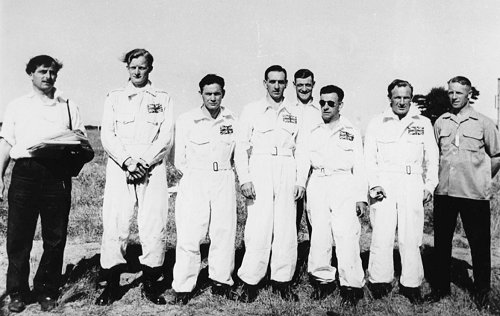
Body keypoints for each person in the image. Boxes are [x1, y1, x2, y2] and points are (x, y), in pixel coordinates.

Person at [0, 55, 87, 312]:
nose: (48, 76)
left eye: (51, 72)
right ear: (31, 74)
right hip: (25, 172)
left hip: (56, 174)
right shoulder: (17, 105)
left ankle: (47, 290)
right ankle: (16, 292)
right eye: (42, 71)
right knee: (19, 236)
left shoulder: (68, 105)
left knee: (55, 236)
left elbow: (81, 139)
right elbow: (6, 142)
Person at [96, 48, 174, 305]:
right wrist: (128, 162)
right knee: (116, 222)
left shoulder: (162, 98)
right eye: (133, 67)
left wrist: (144, 162)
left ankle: (151, 282)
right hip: (121, 166)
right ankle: (111, 283)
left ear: (150, 68)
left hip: (152, 167)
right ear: (127, 69)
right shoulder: (115, 97)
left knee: (153, 223)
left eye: (142, 67)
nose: (137, 72)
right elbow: (108, 135)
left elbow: (166, 136)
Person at [428, 76, 500, 309]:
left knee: (479, 245)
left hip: (473, 194)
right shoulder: (441, 122)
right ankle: (440, 289)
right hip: (445, 193)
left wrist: (482, 178)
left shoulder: (484, 122)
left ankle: (481, 293)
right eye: (451, 92)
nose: (454, 96)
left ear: (469, 94)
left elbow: (497, 154)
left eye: (459, 92)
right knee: (441, 244)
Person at [234, 65, 305, 302]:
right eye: (272, 81)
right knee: (258, 225)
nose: (276, 86)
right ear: (265, 83)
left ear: (286, 84)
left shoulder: (295, 111)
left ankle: (282, 281)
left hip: (287, 165)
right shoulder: (252, 109)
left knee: (285, 226)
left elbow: (303, 149)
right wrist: (245, 178)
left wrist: (300, 181)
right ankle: (250, 280)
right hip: (260, 166)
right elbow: (241, 147)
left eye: (281, 82)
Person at [364, 79, 439, 303]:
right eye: (397, 97)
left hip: (412, 181)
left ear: (411, 98)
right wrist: (373, 184)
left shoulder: (423, 122)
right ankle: (379, 281)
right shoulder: (378, 122)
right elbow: (369, 158)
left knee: (411, 234)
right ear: (390, 98)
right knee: (382, 233)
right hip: (384, 183)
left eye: (406, 97)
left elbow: (432, 158)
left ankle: (411, 284)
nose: (402, 102)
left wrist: (429, 186)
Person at [298, 85, 367, 306]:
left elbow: (360, 166)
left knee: (346, 234)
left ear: (340, 105)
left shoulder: (351, 130)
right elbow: (302, 160)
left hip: (343, 183)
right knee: (319, 233)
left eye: (331, 103)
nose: (326, 107)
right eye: (322, 102)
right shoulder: (312, 129)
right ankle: (322, 280)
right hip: (318, 182)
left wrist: (361, 196)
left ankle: (351, 285)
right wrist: (300, 183)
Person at [171, 74, 237, 304]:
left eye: (217, 93)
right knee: (190, 233)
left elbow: (237, 154)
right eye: (208, 93)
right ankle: (184, 286)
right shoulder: (187, 120)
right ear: (201, 94)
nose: (213, 98)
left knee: (224, 231)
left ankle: (221, 280)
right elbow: (179, 159)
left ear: (223, 94)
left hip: (224, 177)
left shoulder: (231, 119)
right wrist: (196, 175)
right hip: (195, 179)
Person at [293, 69, 319, 237]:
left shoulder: (320, 110)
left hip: (314, 168)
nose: (303, 89)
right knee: (291, 213)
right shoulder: (287, 109)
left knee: (315, 214)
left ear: (313, 85)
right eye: (300, 85)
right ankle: (291, 257)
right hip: (291, 166)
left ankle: (316, 257)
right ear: (294, 85)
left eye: (307, 85)